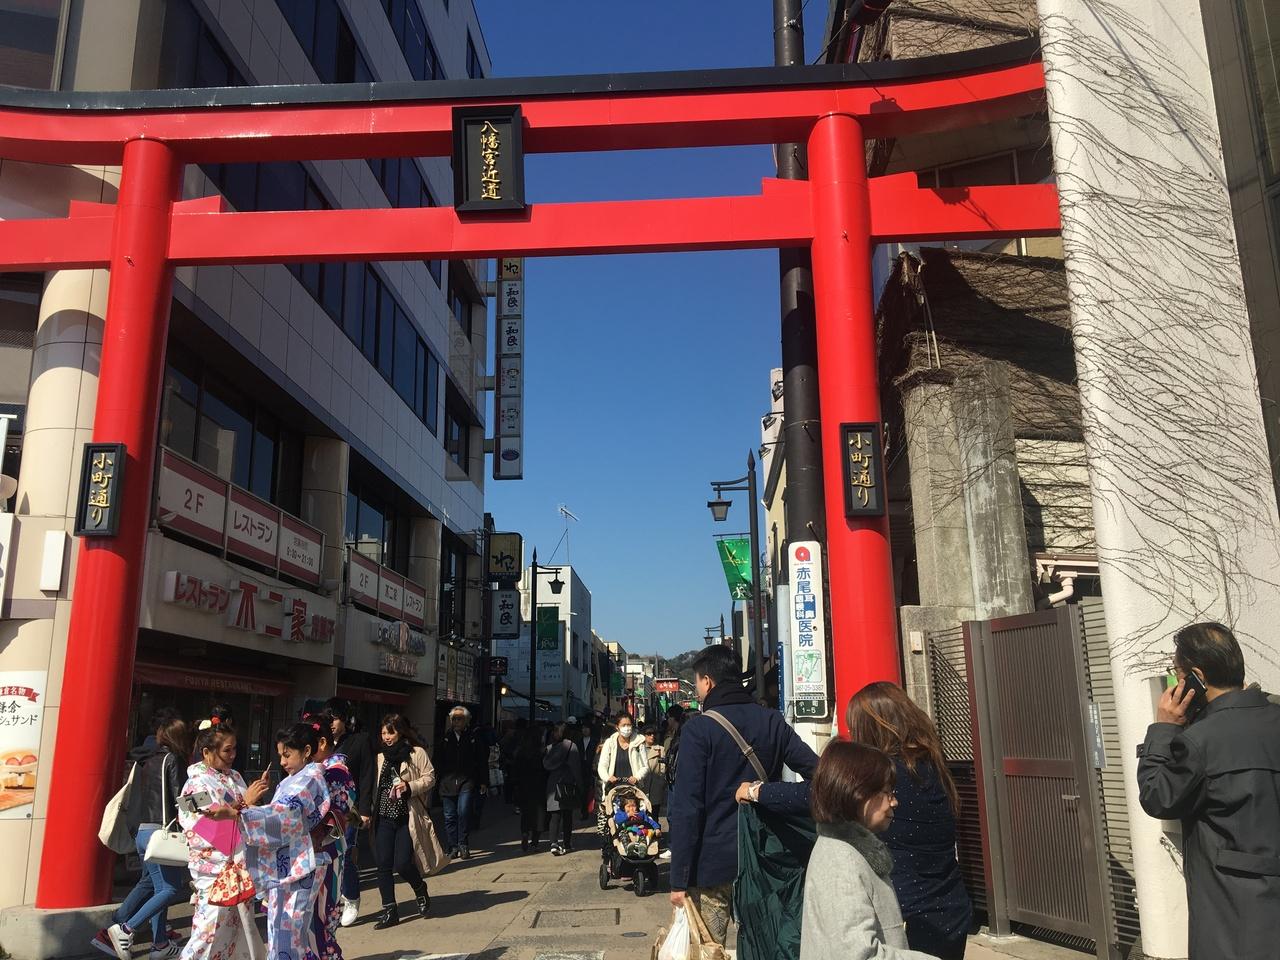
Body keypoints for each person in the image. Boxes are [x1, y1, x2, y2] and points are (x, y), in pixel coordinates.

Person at [1137, 622, 1280, 960]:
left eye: (1177, 674)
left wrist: (1163, 729)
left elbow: (1158, 798)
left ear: (1197, 677)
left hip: (1232, 911)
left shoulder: (1199, 741)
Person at [668, 645, 818, 946]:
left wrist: (678, 879)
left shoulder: (698, 729)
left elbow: (687, 808)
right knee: (765, 945)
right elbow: (821, 776)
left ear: (708, 681)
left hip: (713, 865)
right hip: (765, 859)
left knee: (710, 949)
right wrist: (767, 792)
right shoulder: (772, 721)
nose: (697, 691)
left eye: (697, 683)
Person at [845, 682, 971, 959]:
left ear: (872, 729)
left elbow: (820, 793)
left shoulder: (884, 773)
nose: (852, 735)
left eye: (855, 728)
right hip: (951, 908)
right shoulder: (933, 764)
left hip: (908, 916)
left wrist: (757, 791)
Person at [206, 722, 331, 960]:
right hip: (287, 863)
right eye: (280, 755)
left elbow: (286, 815)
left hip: (298, 864)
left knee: (289, 934)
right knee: (280, 930)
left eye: (287, 755)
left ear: (306, 751)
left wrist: (237, 812)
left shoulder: (309, 780)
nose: (282, 762)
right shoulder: (296, 778)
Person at [800, 740, 934, 960]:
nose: (894, 802)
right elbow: (858, 955)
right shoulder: (841, 861)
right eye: (887, 792)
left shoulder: (849, 850)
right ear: (857, 793)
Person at [92, 716, 191, 960]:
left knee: (154, 887)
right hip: (162, 833)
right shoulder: (173, 759)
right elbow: (180, 798)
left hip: (143, 832)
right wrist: (206, 805)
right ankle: (125, 929)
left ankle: (158, 944)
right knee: (170, 888)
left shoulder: (147, 760)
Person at [175, 717, 269, 960]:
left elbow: (243, 814)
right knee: (207, 934)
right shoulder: (194, 783)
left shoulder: (234, 776)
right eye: (227, 750)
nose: (233, 755)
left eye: (235, 749)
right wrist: (244, 803)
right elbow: (200, 825)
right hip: (214, 869)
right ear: (207, 752)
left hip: (239, 865)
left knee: (239, 931)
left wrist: (252, 803)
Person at [371, 713, 444, 929]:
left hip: (406, 816)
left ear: (401, 732)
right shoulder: (380, 757)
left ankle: (420, 887)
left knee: (402, 863)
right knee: (383, 865)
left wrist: (409, 786)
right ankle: (390, 910)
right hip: (383, 816)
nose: (386, 737)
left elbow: (430, 777)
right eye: (383, 733)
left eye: (390, 732)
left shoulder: (416, 753)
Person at [324, 696, 376, 928]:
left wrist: (365, 809)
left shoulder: (359, 741)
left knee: (345, 852)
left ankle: (351, 897)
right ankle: (333, 901)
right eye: (328, 719)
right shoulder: (321, 743)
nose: (332, 724)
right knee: (328, 855)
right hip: (325, 808)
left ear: (345, 719)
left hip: (351, 808)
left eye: (335, 718)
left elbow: (366, 776)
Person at [310, 713, 355, 958]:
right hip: (309, 851)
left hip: (327, 850)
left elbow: (339, 814)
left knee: (323, 915)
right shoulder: (312, 770)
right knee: (309, 918)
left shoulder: (336, 771)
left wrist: (314, 832)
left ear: (322, 743)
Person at [434, 705, 488, 859]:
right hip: (447, 782)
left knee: (464, 812)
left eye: (460, 719)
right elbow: (437, 760)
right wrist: (435, 778)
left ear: (467, 721)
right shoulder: (445, 738)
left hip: (467, 781)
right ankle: (452, 846)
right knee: (449, 816)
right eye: (454, 719)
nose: (456, 722)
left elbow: (481, 760)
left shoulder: (473, 738)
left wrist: (483, 781)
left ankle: (463, 843)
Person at [595, 713, 647, 861]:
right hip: (613, 788)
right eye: (624, 725)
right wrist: (608, 777)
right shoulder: (610, 743)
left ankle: (638, 846)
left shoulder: (639, 742)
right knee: (613, 821)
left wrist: (637, 777)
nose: (627, 728)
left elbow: (645, 766)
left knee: (636, 818)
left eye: (629, 725)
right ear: (617, 727)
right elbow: (602, 766)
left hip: (633, 789)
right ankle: (613, 852)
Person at [543, 722, 583, 856]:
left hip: (552, 784)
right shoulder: (572, 746)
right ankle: (567, 843)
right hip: (567, 784)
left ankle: (553, 843)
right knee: (567, 815)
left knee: (555, 816)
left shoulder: (550, 748)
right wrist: (580, 784)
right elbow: (576, 767)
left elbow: (545, 765)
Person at [512, 722, 547, 851]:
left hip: (523, 787)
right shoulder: (541, 752)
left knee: (525, 813)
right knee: (539, 814)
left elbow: (515, 771)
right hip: (539, 786)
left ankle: (525, 832)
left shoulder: (520, 752)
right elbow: (545, 769)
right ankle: (535, 841)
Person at [658, 706, 685, 861]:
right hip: (673, 780)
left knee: (674, 815)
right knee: (671, 815)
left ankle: (674, 846)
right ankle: (674, 846)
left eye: (668, 717)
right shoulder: (674, 735)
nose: (667, 720)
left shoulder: (682, 736)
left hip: (677, 781)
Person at [641, 725, 667, 818]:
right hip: (641, 786)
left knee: (654, 814)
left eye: (654, 734)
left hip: (655, 788)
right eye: (649, 733)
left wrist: (661, 782)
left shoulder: (660, 749)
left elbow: (663, 768)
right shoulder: (638, 748)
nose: (652, 736)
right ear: (643, 735)